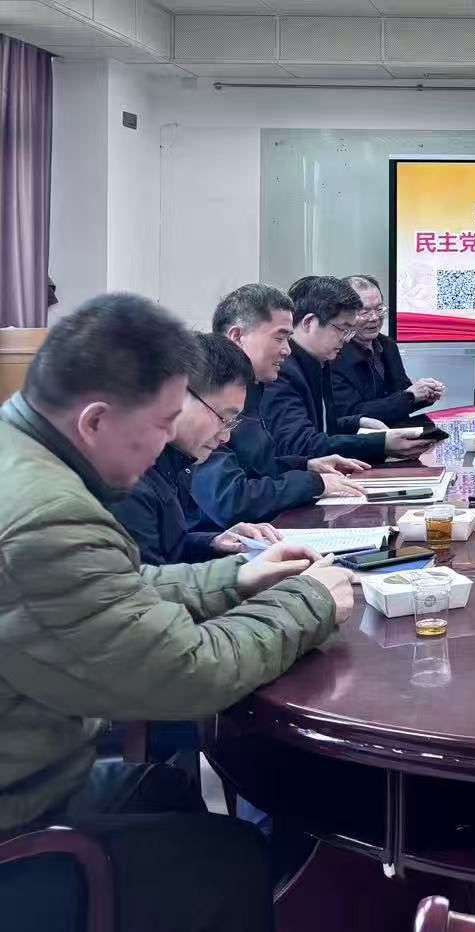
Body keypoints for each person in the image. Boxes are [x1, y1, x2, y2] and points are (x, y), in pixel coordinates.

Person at [0, 293, 357, 932]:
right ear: (96, 421)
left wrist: (235, 578)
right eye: (164, 424)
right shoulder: (51, 512)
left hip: (34, 771)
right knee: (233, 855)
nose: (170, 441)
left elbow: (111, 587)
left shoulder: (21, 449)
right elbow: (186, 672)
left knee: (167, 792)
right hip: (18, 822)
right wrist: (309, 600)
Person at [194, 283, 367, 526]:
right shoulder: (207, 394)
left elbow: (255, 467)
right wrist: (311, 482)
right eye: (280, 338)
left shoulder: (254, 388)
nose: (287, 350)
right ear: (237, 336)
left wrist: (305, 465)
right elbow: (230, 499)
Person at [110, 333, 281, 565]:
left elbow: (168, 548)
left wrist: (213, 542)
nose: (225, 436)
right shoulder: (127, 481)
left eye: (232, 423)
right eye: (223, 418)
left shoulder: (176, 461)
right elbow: (147, 581)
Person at [261, 276, 432, 462]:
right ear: (309, 322)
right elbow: (300, 445)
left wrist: (357, 422)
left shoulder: (318, 361)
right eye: (342, 329)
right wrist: (380, 443)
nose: (347, 338)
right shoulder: (281, 371)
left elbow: (322, 426)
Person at [331, 274, 445, 427]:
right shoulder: (334, 354)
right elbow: (351, 414)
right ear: (344, 314)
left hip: (398, 432)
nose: (374, 318)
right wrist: (410, 396)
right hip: (363, 438)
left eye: (379, 309)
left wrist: (425, 395)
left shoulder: (387, 345)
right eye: (364, 312)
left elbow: (401, 396)